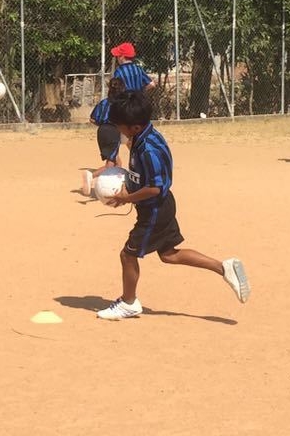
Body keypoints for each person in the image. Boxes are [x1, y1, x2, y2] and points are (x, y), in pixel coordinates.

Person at [96, 91, 250, 319]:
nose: (118, 130)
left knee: (128, 255)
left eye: (120, 126)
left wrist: (126, 198)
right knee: (168, 255)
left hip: (155, 210)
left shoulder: (149, 150)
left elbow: (155, 188)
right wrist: (127, 182)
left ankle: (129, 303)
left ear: (135, 127)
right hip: (159, 206)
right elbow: (144, 176)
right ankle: (224, 267)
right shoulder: (141, 137)